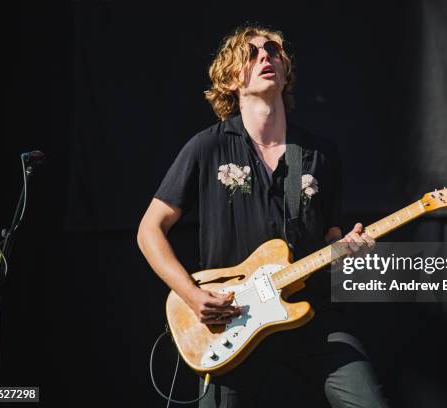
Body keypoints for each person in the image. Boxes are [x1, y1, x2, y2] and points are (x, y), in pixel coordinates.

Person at [137, 25, 389, 408]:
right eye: (252, 53)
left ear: (286, 70)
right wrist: (191, 295)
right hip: (233, 319)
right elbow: (149, 230)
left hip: (311, 315)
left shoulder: (320, 153)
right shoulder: (207, 147)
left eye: (274, 50)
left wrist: (347, 248)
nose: (266, 57)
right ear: (230, 78)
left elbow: (331, 235)